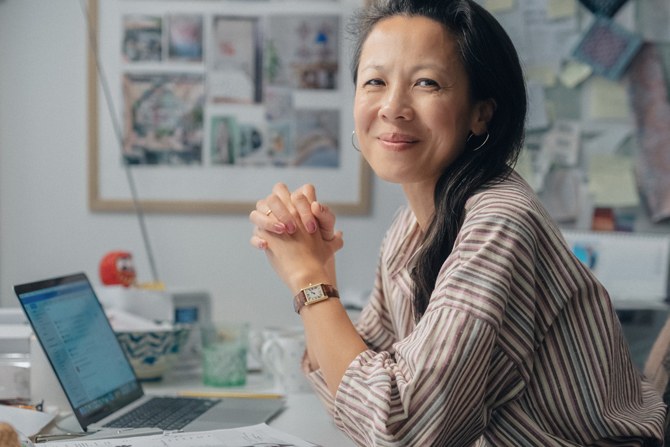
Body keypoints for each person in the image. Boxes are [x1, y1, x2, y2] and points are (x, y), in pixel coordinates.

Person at [249, 0, 666, 445]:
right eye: (375, 81)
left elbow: (401, 428)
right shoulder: (410, 228)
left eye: (426, 83)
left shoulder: (501, 220)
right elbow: (355, 394)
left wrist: (309, 280)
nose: (392, 107)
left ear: (481, 112)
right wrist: (321, 271)